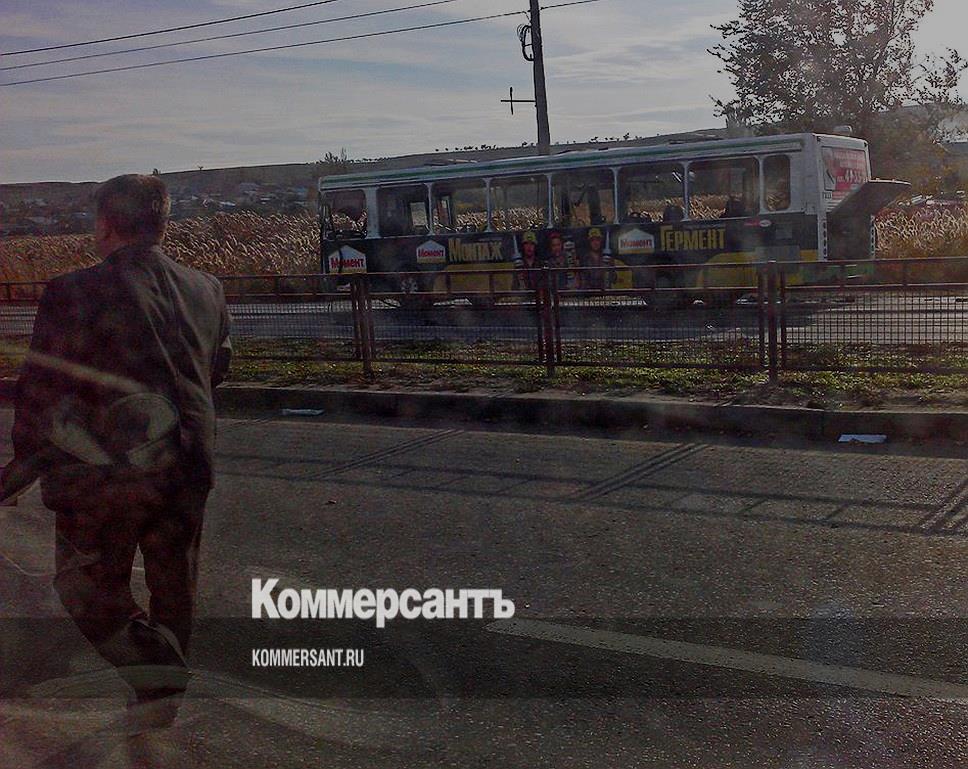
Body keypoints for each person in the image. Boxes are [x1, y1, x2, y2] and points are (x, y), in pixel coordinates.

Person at [1, 174, 232, 729]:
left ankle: (159, 672)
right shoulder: (206, 287)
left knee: (84, 586)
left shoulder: (73, 291)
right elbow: (217, 367)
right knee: (174, 582)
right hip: (189, 462)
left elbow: (43, 391)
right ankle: (158, 702)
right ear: (161, 224)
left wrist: (18, 471)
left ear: (105, 224)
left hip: (106, 475)